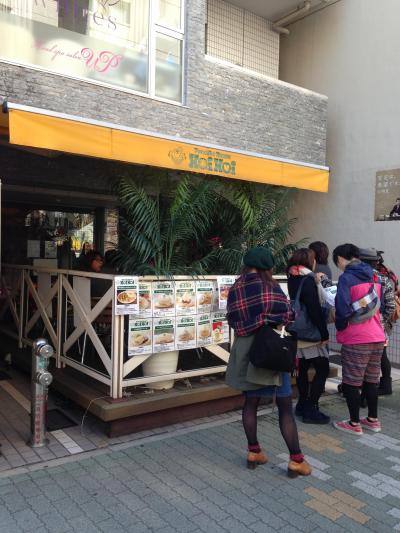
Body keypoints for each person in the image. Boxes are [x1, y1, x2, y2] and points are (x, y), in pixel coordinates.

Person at [226, 246, 312, 477]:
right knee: (284, 407)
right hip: (270, 349)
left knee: (250, 403)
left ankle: (254, 452)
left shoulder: (236, 287)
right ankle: (296, 460)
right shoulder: (270, 286)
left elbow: (232, 319)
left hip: (246, 351)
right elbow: (287, 315)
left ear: (247, 264)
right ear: (268, 267)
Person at [332, 244, 385, 435]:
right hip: (377, 336)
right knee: (371, 380)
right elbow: (381, 305)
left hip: (356, 338)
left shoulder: (346, 278)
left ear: (340, 258)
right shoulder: (375, 276)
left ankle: (354, 423)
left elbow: (343, 310)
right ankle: (372, 420)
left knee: (351, 382)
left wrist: (340, 325)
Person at [287, 248, 330, 424]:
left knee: (302, 369)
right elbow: (314, 309)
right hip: (310, 333)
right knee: (323, 368)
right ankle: (311, 408)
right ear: (310, 262)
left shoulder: (292, 276)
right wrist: (324, 333)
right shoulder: (308, 280)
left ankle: (302, 404)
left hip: (297, 331)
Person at [359, 248, 396, 396]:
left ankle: (363, 388)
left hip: (360, 326)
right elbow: (391, 305)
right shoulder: (385, 278)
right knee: (381, 356)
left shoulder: (356, 278)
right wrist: (382, 321)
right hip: (380, 326)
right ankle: (384, 385)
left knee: (364, 358)